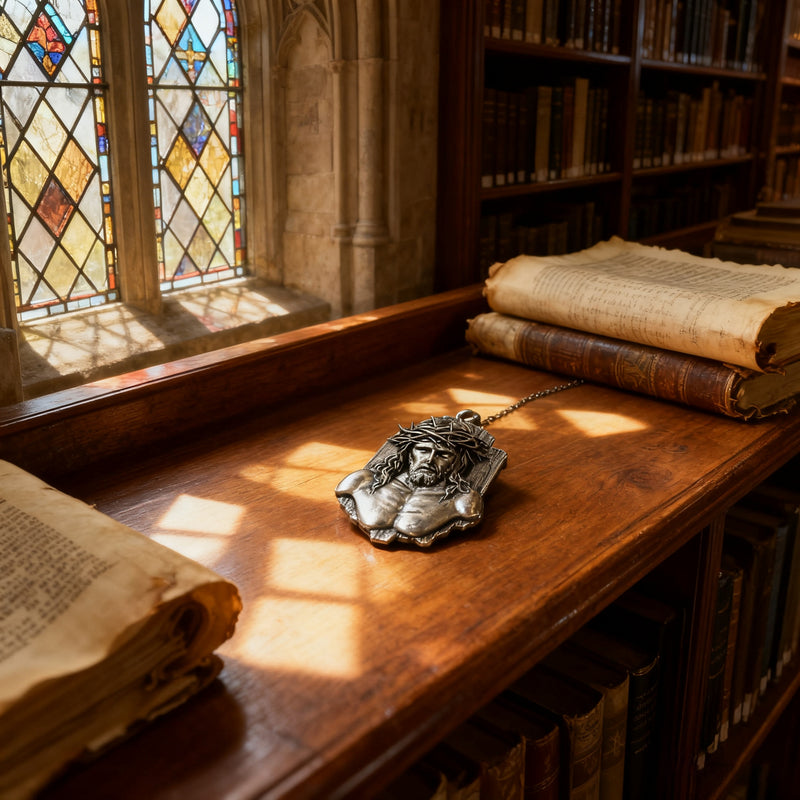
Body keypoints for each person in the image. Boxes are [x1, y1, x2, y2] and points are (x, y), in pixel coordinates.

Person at [335, 411, 501, 546]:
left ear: (457, 464)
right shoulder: (360, 481)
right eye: (423, 450)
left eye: (443, 454)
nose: (429, 460)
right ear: (409, 454)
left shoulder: (464, 502)